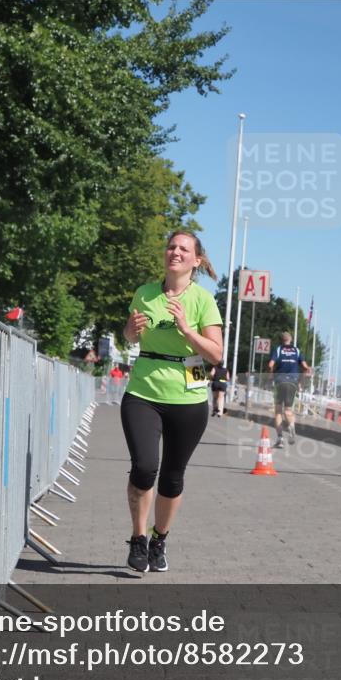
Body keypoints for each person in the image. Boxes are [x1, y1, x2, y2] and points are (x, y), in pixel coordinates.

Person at [121, 230, 223, 573]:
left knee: (173, 476)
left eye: (183, 249)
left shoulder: (203, 300)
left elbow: (216, 354)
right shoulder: (145, 293)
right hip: (143, 391)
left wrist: (187, 329)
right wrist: (132, 332)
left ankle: (159, 538)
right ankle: (138, 538)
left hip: (188, 396)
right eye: (171, 246)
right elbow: (129, 334)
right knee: (145, 466)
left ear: (196, 260)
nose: (175, 252)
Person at [267, 331, 312, 448]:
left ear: (281, 340)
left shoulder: (278, 349)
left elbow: (270, 364)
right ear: (290, 340)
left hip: (279, 382)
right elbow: (306, 367)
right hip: (292, 382)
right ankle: (291, 426)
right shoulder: (297, 351)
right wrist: (302, 379)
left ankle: (280, 439)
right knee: (288, 411)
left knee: (278, 411)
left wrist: (271, 375)